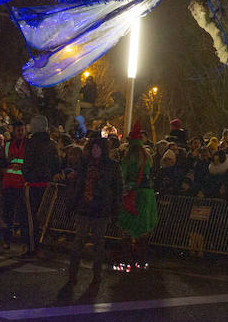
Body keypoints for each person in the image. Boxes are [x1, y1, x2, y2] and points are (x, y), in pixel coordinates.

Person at [62, 134, 121, 292]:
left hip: (101, 209)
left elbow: (116, 190)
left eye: (98, 148)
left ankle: (96, 275)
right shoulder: (85, 164)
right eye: (93, 148)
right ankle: (72, 274)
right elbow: (78, 187)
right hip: (84, 207)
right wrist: (71, 206)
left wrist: (115, 211)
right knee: (78, 241)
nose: (95, 151)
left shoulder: (112, 166)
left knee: (98, 243)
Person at [116, 122, 159, 270]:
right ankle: (141, 259)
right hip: (147, 195)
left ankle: (127, 259)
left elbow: (123, 175)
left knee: (126, 227)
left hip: (133, 195)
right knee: (144, 228)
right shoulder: (146, 156)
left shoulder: (129, 158)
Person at [21, 115, 59, 257]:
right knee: (42, 217)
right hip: (47, 184)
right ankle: (40, 246)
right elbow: (56, 163)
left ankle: (32, 248)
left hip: (33, 184)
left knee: (31, 218)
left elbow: (28, 163)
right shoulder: (51, 144)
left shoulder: (32, 143)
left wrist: (27, 177)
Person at [0, 120, 29, 249]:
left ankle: (24, 242)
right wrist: (5, 165)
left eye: (22, 130)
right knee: (7, 215)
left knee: (23, 216)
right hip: (8, 184)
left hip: (22, 185)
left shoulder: (28, 145)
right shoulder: (7, 145)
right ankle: (6, 240)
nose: (20, 132)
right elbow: (1, 163)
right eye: (18, 130)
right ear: (13, 131)